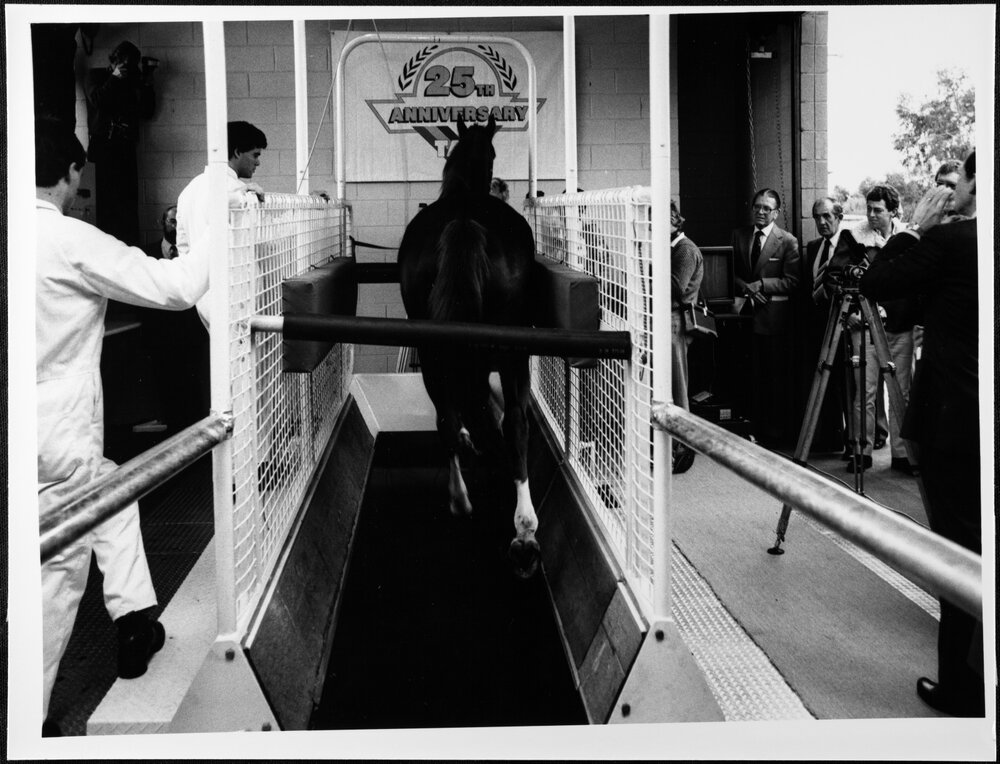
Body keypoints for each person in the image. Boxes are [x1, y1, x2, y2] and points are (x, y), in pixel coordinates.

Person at [35, 119, 209, 734]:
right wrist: (211, 228)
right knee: (57, 565)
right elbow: (177, 288)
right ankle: (32, 717)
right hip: (54, 432)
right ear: (71, 174)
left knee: (112, 491)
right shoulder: (67, 238)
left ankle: (135, 617)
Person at [860, 152, 982, 717]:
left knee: (959, 550)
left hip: (955, 416)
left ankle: (962, 685)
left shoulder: (955, 242)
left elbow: (879, 280)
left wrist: (917, 227)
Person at [830, 185, 910, 473]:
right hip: (864, 322)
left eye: (879, 210)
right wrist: (850, 312)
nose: (873, 215)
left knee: (902, 390)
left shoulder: (908, 238)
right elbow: (837, 276)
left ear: (892, 211)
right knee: (864, 391)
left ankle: (902, 453)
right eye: (869, 209)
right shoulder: (853, 238)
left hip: (899, 324)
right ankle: (860, 450)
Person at [176, 120, 267, 329]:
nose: (258, 162)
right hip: (237, 296)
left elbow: (183, 248)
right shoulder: (240, 192)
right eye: (255, 154)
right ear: (236, 152)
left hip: (205, 300)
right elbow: (260, 238)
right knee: (242, 360)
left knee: (220, 359)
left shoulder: (189, 190)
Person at [731, 189, 800, 448]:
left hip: (772, 322)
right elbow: (733, 273)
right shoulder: (739, 236)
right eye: (757, 207)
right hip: (743, 318)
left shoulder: (787, 241)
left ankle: (772, 435)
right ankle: (749, 429)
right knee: (747, 376)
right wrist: (745, 287)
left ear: (776, 213)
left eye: (766, 208)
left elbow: (792, 282)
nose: (760, 212)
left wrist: (762, 285)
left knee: (772, 379)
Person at [143, 205, 208, 434]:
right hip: (160, 335)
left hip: (191, 334)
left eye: (179, 222)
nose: (176, 226)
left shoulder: (191, 256)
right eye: (171, 221)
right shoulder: (146, 253)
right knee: (167, 388)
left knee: (194, 389)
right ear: (162, 223)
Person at [87, 41, 156, 246]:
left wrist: (148, 82)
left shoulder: (134, 82)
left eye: (130, 64)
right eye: (122, 62)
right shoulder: (97, 76)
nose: (126, 67)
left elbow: (147, 111)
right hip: (103, 147)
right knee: (103, 202)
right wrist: (114, 78)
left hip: (125, 148)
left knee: (127, 204)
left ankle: (128, 247)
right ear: (113, 60)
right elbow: (98, 101)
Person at [799, 197, 848, 454]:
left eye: (827, 216)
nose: (822, 221)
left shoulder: (849, 245)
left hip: (844, 326)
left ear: (838, 217)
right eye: (818, 217)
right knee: (824, 385)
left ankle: (853, 443)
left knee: (846, 384)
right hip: (819, 328)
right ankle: (831, 438)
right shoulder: (813, 246)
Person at [670, 201, 704, 474]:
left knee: (677, 384)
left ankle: (683, 446)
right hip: (668, 323)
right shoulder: (673, 247)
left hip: (675, 323)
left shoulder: (684, 249)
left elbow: (675, 288)